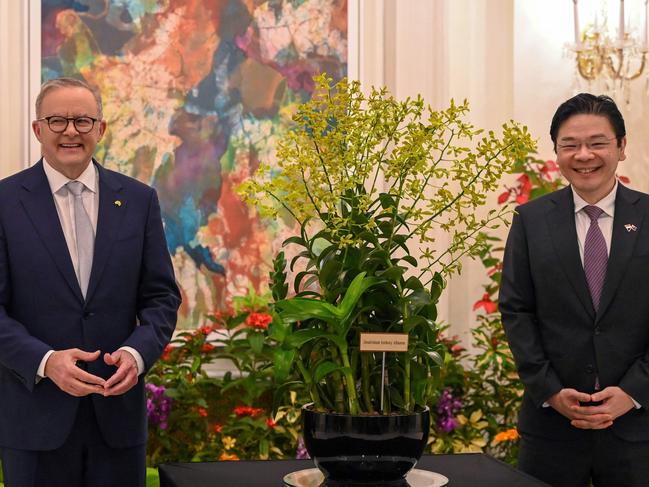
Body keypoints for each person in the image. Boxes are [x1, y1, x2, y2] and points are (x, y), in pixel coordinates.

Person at [0, 77, 181, 486]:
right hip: (34, 422)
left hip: (116, 422)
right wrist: (46, 362)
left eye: (83, 120)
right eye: (57, 120)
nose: (70, 131)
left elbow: (161, 297)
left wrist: (136, 355)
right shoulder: (5, 202)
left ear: (100, 129)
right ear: (38, 129)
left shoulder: (139, 200)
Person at [500, 93, 649, 487]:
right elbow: (516, 311)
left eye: (597, 143)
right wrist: (550, 391)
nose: (584, 155)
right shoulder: (531, 221)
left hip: (638, 427)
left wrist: (633, 391)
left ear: (621, 147)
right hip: (552, 427)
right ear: (556, 152)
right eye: (570, 145)